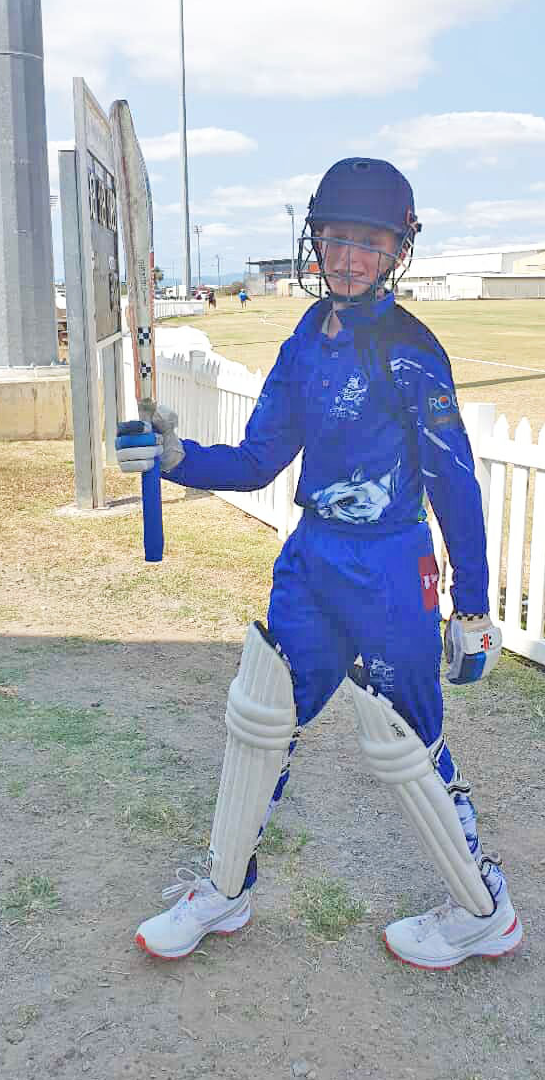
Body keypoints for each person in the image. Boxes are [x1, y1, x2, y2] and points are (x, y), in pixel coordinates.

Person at [116, 157, 521, 970]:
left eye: (367, 242)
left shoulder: (412, 353)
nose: (347, 256)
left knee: (407, 741)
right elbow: (262, 455)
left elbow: (454, 481)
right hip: (310, 560)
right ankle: (224, 892)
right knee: (260, 716)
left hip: (391, 570)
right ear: (315, 241)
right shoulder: (306, 337)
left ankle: (483, 910)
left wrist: (471, 608)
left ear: (397, 248)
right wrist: (174, 455)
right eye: (335, 238)